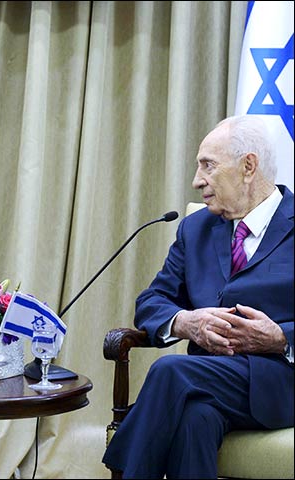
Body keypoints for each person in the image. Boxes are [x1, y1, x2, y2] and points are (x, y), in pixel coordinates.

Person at [102, 114, 294, 479]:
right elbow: (152, 300)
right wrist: (185, 322)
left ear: (248, 167)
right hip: (207, 381)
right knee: (195, 419)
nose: (196, 181)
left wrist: (280, 337)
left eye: (208, 165)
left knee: (170, 371)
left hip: (280, 383)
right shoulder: (196, 228)